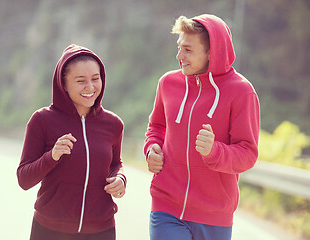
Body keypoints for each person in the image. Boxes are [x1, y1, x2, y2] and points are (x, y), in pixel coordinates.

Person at [144, 14, 260, 240]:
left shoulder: (241, 92)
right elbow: (156, 126)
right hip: (166, 205)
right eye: (179, 47)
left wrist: (214, 151)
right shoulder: (167, 84)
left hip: (214, 214)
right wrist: (152, 148)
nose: (179, 56)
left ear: (211, 52)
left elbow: (248, 153)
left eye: (188, 50)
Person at [17, 44, 126, 240]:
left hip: (101, 230)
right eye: (80, 81)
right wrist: (52, 156)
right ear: (63, 84)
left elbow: (115, 164)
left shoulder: (113, 124)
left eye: (95, 78)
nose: (91, 87)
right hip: (50, 230)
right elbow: (24, 179)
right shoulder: (42, 120)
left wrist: (120, 179)